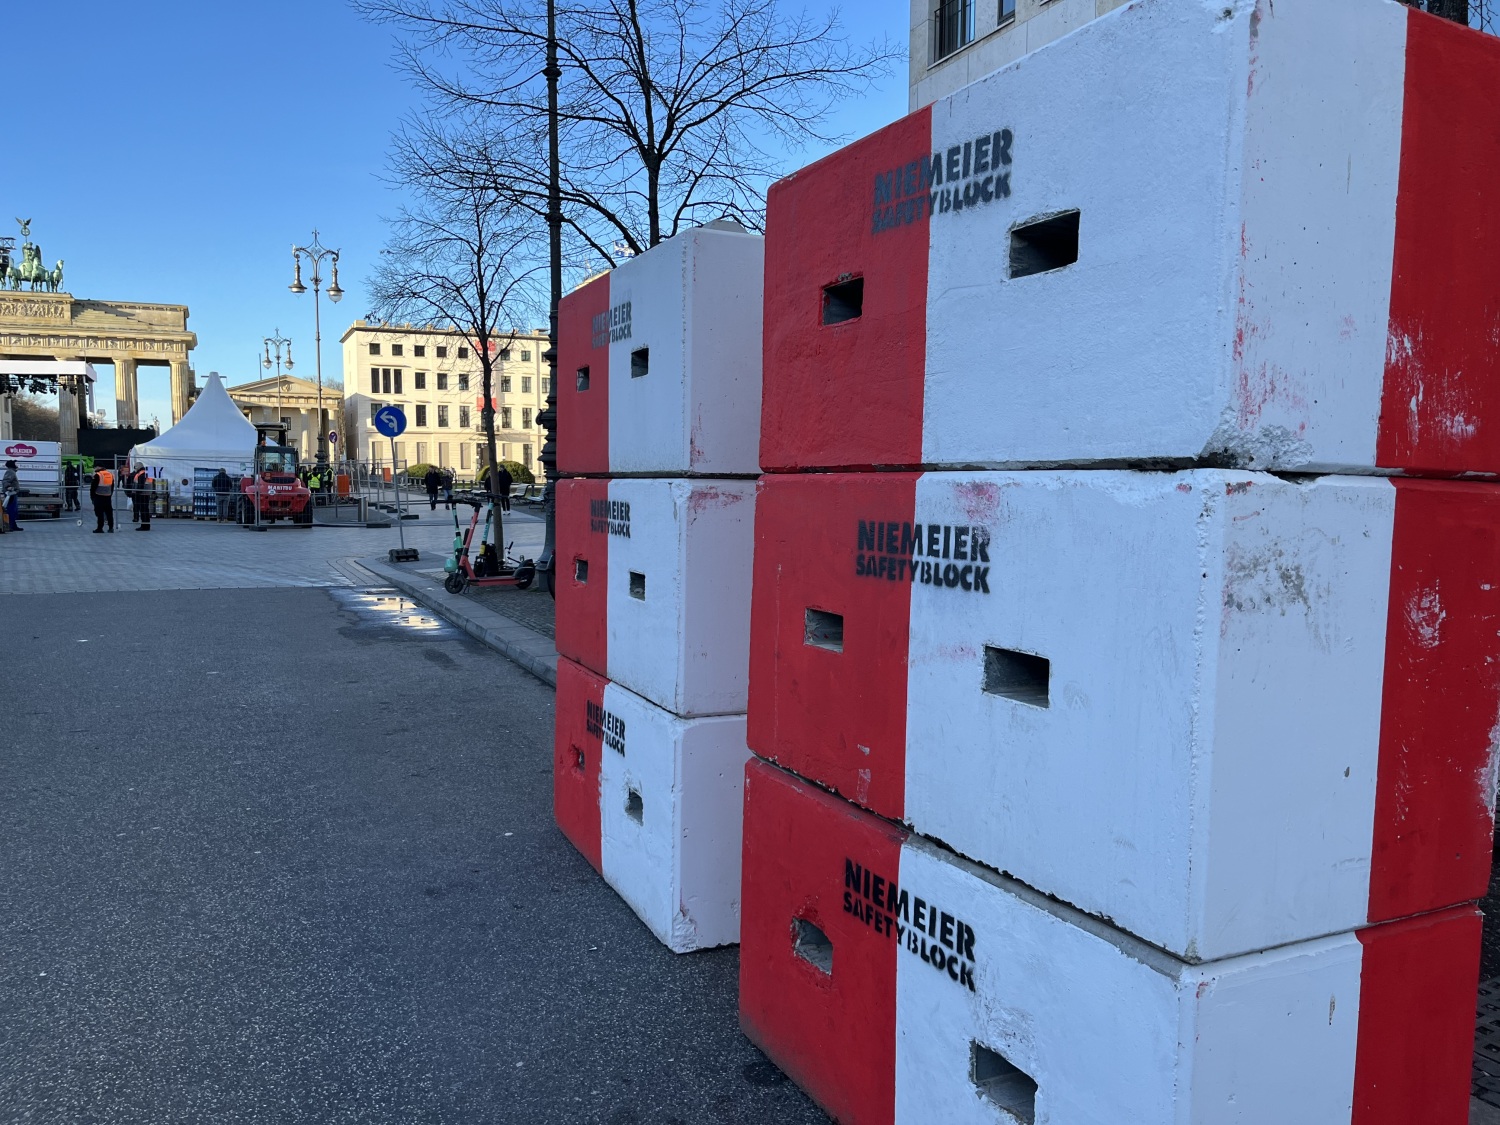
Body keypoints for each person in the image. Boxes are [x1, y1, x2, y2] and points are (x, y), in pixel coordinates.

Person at [90, 467, 115, 533]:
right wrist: (110, 494)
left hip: (99, 496)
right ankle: (111, 527)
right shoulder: (110, 474)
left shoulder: (98, 475)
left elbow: (93, 487)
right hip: (108, 496)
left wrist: (92, 497)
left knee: (99, 513)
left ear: (99, 467)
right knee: (109, 513)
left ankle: (100, 528)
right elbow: (112, 486)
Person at [2, 459, 20, 532]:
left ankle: (13, 525)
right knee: (11, 510)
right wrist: (8, 487)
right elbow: (6, 481)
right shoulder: (10, 472)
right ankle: (10, 526)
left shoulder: (12, 472)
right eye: (15, 464)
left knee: (14, 510)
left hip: (13, 493)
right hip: (11, 494)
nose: (17, 465)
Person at [132, 466, 152, 530]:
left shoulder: (141, 474)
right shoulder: (147, 473)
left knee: (143, 510)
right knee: (146, 510)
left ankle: (144, 526)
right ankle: (146, 525)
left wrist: (137, 493)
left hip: (142, 494)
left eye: (135, 467)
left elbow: (140, 485)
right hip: (147, 493)